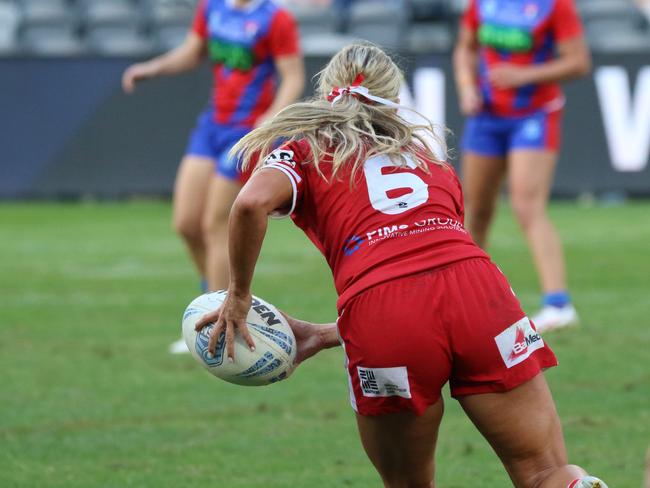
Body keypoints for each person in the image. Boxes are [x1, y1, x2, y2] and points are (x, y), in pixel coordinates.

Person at [194, 43, 607, 488]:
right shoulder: (428, 156)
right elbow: (433, 274)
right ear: (394, 96)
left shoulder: (304, 147)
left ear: (327, 91)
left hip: (385, 314)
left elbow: (251, 202)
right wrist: (329, 333)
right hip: (482, 293)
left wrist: (238, 296)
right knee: (547, 472)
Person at [122, 0, 305, 353]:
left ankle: (217, 327)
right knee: (186, 223)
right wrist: (153, 68)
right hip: (212, 126)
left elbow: (293, 75)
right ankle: (216, 296)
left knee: (215, 224)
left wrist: (272, 116)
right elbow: (193, 53)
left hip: (246, 132)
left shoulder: (275, 18)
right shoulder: (211, 8)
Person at [453, 0, 591, 332]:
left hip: (535, 114)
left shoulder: (555, 5)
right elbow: (465, 49)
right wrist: (467, 87)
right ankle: (462, 295)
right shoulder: (481, 4)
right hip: (486, 116)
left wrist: (525, 75)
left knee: (527, 205)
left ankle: (558, 303)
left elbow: (578, 62)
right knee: (475, 208)